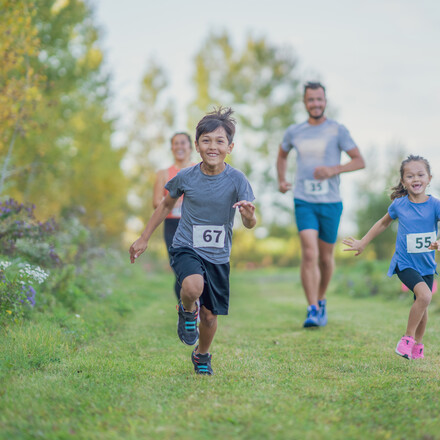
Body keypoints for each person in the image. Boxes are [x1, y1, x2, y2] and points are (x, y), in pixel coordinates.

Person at [129, 107, 256, 375]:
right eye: (206, 140)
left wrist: (248, 217)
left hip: (219, 255)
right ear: (196, 146)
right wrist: (143, 238)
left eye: (220, 141)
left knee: (210, 317)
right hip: (186, 245)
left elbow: (249, 222)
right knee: (192, 285)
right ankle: (187, 311)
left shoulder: (237, 180)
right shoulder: (185, 176)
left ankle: (202, 355)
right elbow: (165, 205)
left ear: (230, 147)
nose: (213, 146)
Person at [276, 81, 365, 328]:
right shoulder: (294, 131)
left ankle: (321, 298)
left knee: (325, 258)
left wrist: (333, 169)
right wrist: (282, 180)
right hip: (304, 200)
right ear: (304, 103)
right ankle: (312, 308)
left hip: (330, 202)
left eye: (319, 99)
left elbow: (359, 161)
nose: (315, 103)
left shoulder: (337, 130)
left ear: (325, 101)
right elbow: (282, 154)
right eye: (310, 99)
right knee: (309, 252)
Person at [343, 155, 440, 360]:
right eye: (410, 175)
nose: (416, 179)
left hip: (427, 264)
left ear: (429, 178)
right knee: (424, 296)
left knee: (422, 302)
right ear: (403, 181)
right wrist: (363, 242)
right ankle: (407, 339)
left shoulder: (435, 205)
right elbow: (383, 223)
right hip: (405, 263)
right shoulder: (399, 205)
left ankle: (418, 347)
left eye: (420, 174)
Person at [153, 132, 194, 300]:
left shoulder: (198, 169)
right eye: (176, 144)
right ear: (171, 148)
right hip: (172, 226)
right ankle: (184, 311)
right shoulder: (163, 173)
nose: (179, 147)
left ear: (191, 147)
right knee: (180, 270)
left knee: (196, 269)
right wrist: (172, 200)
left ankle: (195, 305)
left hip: (194, 225)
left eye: (183, 143)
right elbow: (156, 203)